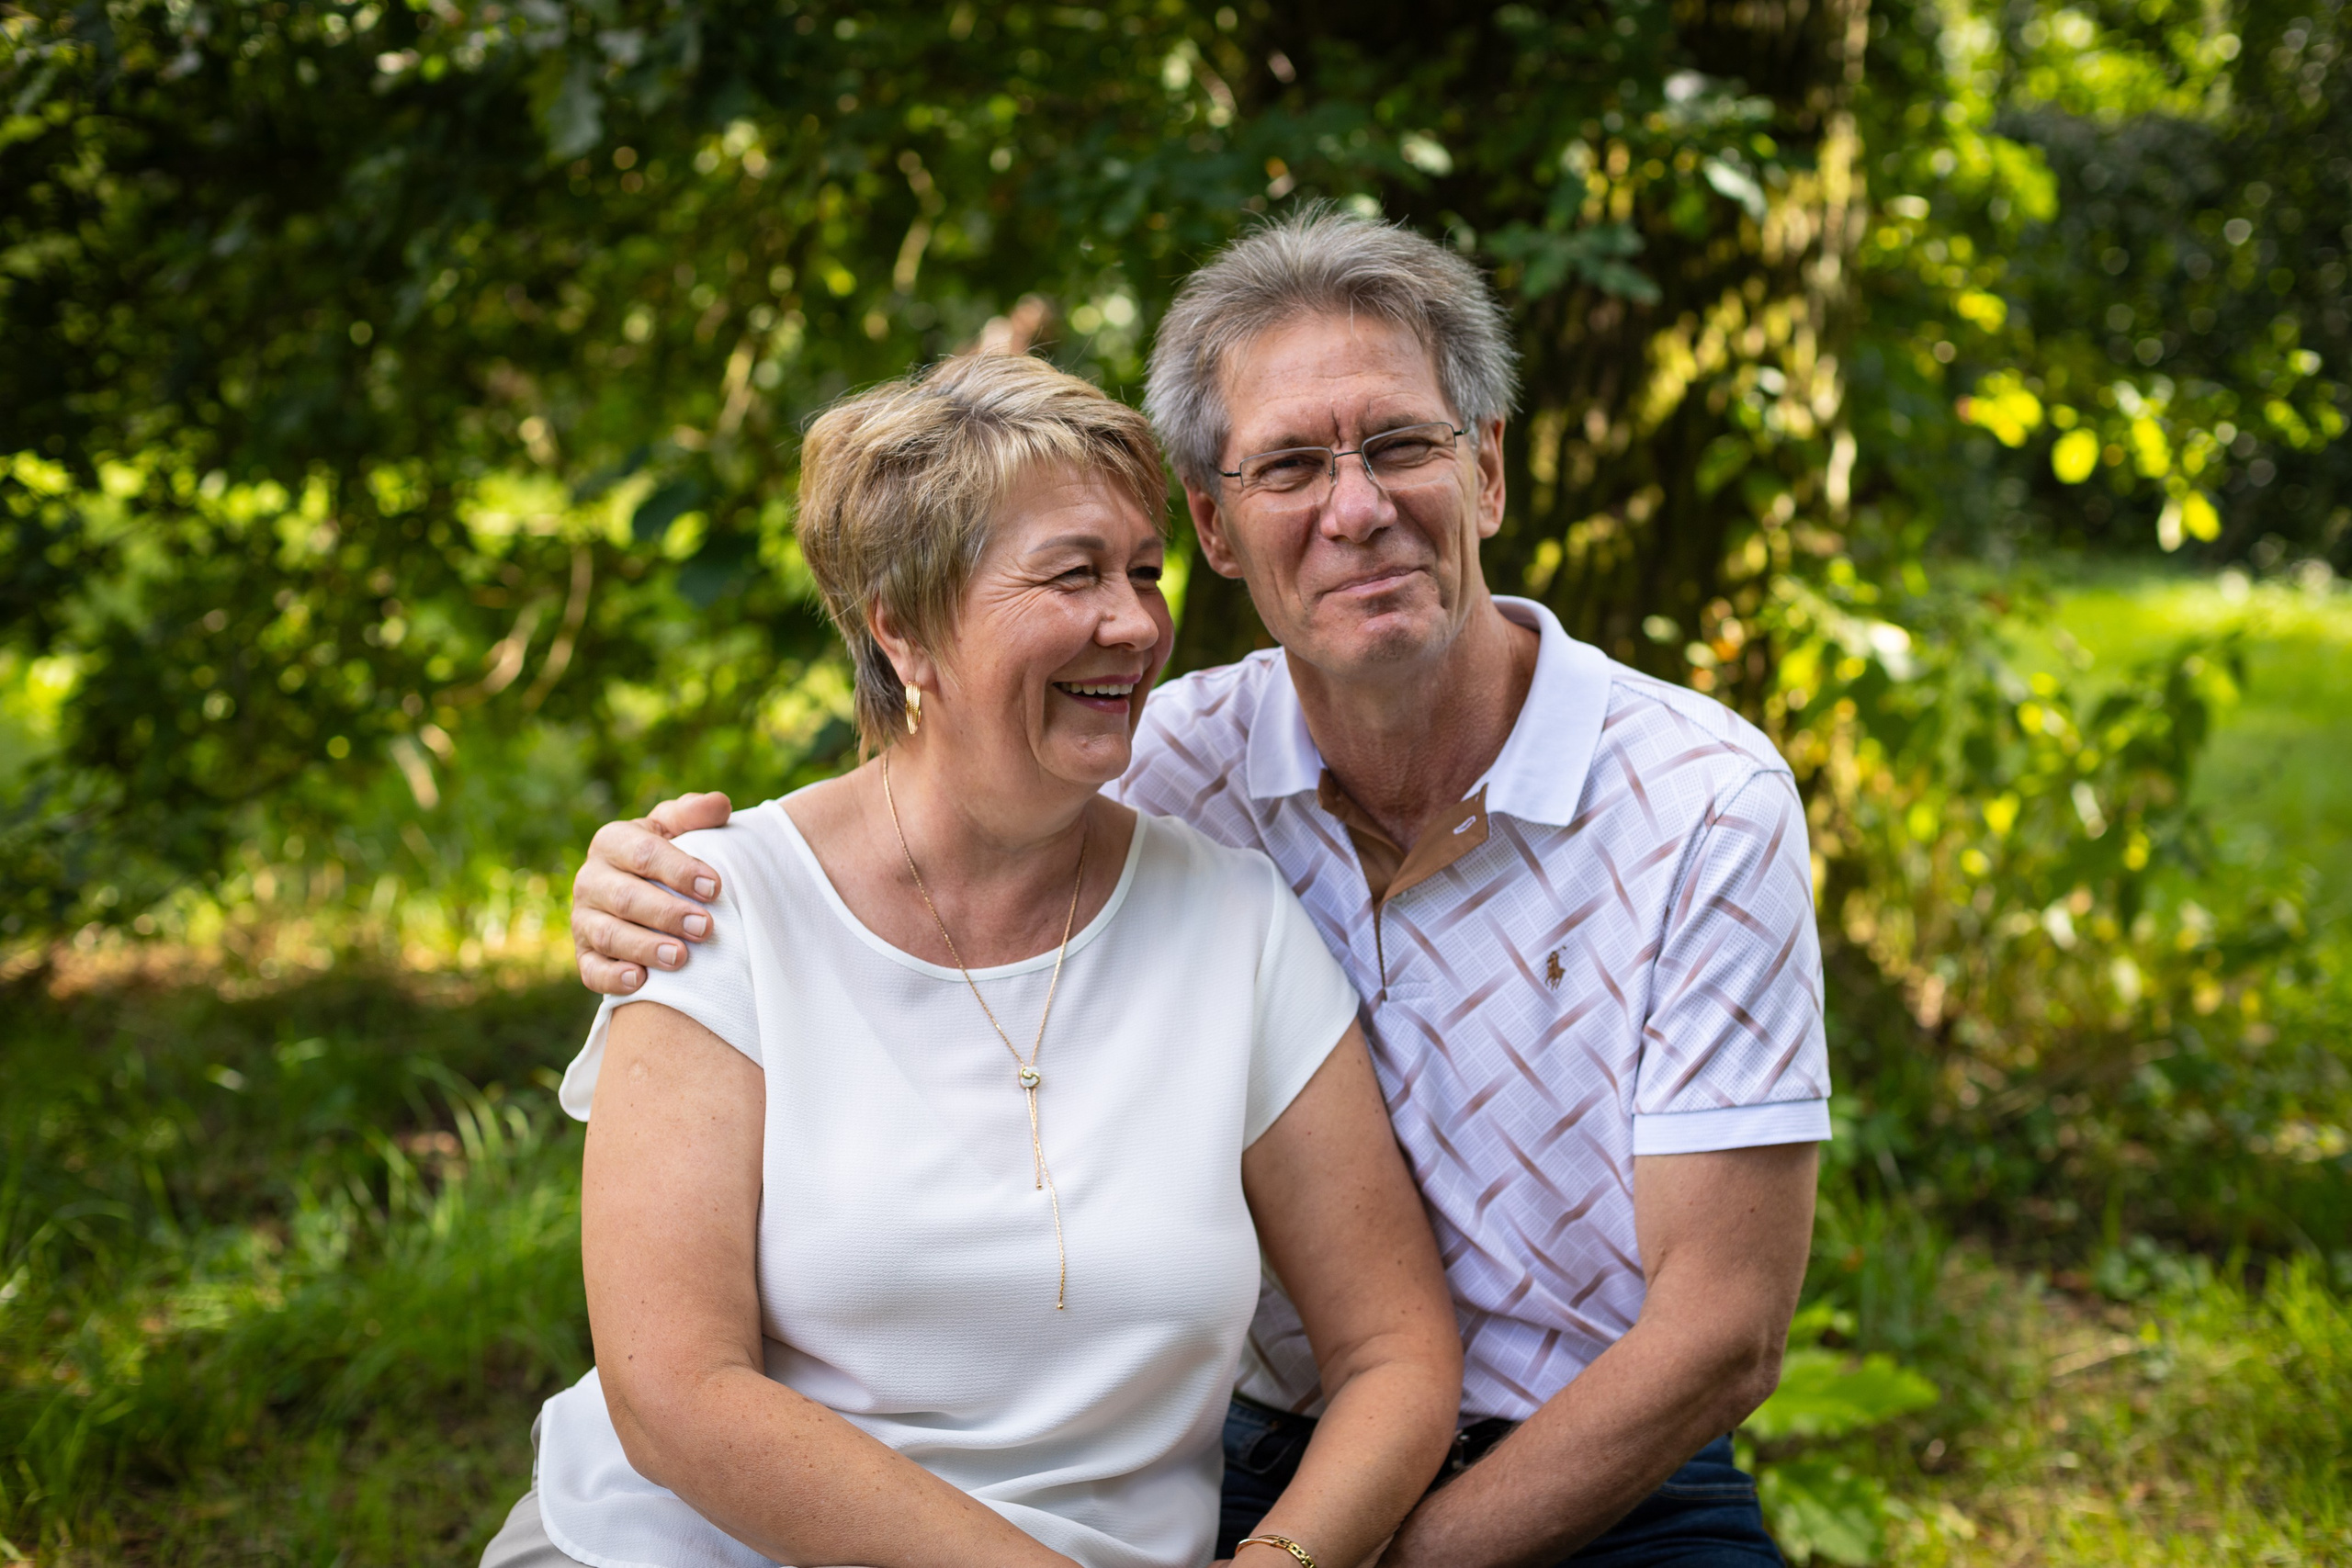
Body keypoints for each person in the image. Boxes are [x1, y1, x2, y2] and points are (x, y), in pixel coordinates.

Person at [570, 209, 1831, 1567]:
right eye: (1291, 465)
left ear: (1490, 472)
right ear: (1224, 530)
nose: (1356, 509)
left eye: (1400, 444)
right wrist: (646, 874)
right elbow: (934, 779)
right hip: (1257, 1449)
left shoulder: (1697, 797)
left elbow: (1722, 1332)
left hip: (1603, 1463)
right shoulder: (1150, 760)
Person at [484, 352, 1464, 1568]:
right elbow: (675, 1390)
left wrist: (1282, 1562)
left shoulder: (1236, 924)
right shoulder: (715, 909)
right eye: (1073, 575)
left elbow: (1396, 1353)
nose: (1134, 623)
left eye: (1144, 572)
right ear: (905, 627)